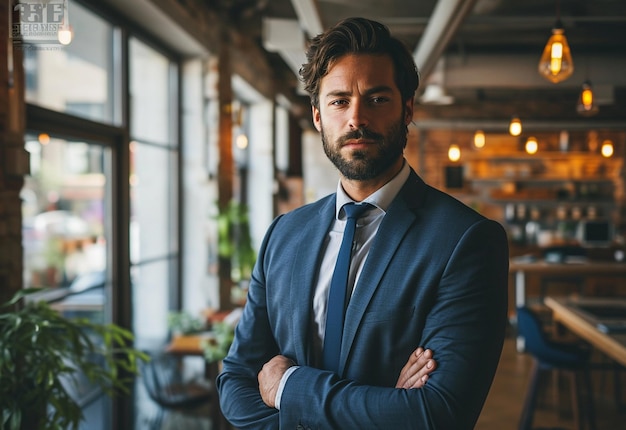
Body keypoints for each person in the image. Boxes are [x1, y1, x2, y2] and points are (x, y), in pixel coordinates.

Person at [216, 17, 509, 429]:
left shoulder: (466, 241)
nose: (356, 118)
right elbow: (235, 383)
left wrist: (288, 388)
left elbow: (438, 413)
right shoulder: (283, 235)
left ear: (407, 108)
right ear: (318, 115)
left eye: (376, 99)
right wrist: (384, 406)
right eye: (339, 101)